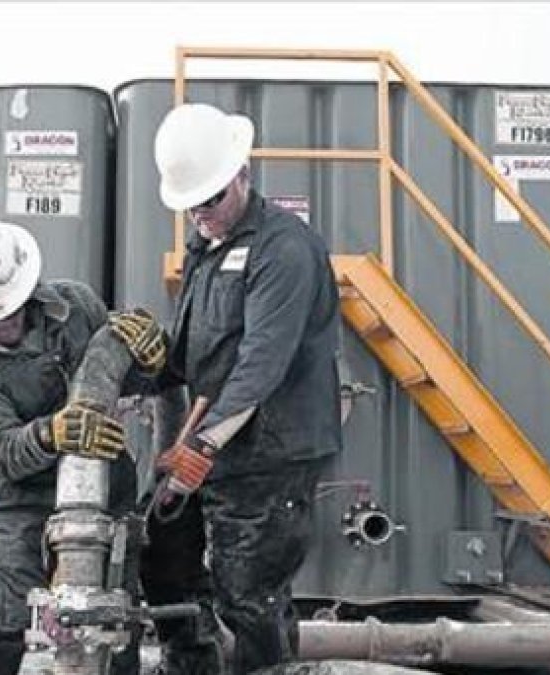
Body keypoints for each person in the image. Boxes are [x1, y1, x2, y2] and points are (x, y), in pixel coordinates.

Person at [142, 103, 344, 674]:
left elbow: (261, 363)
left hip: (270, 453)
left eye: (212, 199)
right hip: (218, 444)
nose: (201, 213)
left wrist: (201, 446)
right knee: (162, 555)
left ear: (242, 175)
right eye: (191, 205)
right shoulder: (206, 246)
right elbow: (188, 351)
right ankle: (194, 665)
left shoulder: (284, 249)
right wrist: (135, 366)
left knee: (249, 591)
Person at [0, 214, 166, 675]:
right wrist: (52, 434)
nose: (6, 321)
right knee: (0, 625)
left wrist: (151, 360)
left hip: (105, 495)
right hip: (22, 505)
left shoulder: (75, 305)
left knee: (114, 618)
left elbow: (118, 377)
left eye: (11, 307)